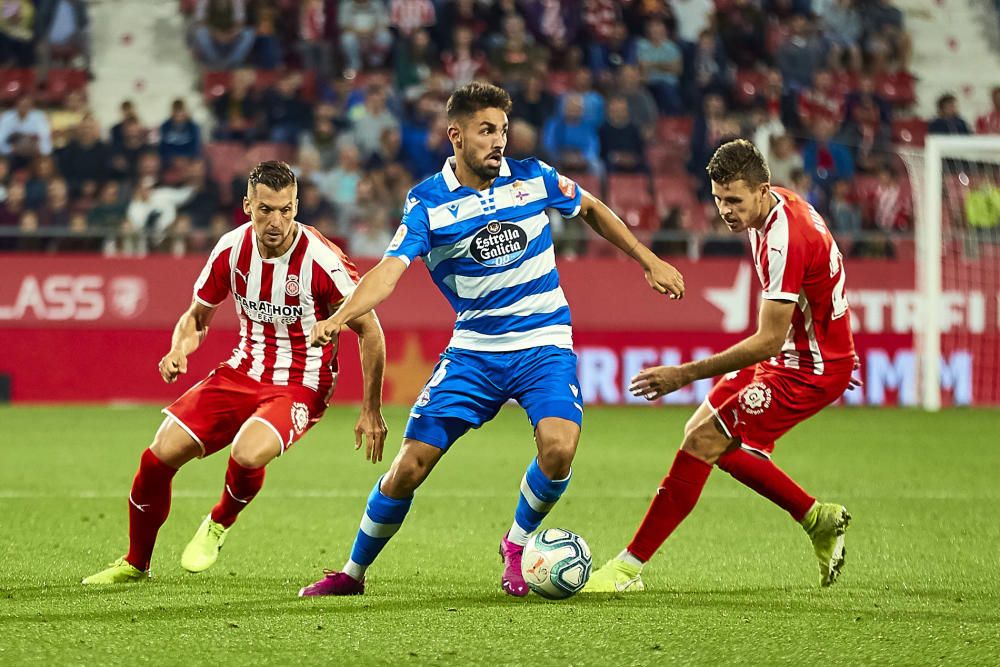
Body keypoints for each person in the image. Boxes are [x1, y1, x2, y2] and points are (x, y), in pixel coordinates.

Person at [297, 82, 685, 598]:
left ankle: (518, 545)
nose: (498, 140)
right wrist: (339, 317)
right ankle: (352, 573)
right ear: (455, 136)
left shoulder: (533, 177)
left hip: (543, 341)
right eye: (486, 130)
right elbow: (389, 271)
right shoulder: (428, 203)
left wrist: (647, 258)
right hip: (475, 352)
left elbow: (590, 208)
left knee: (559, 448)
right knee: (408, 468)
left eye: (502, 129)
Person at [82, 161, 387, 585]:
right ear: (248, 206)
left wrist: (370, 409)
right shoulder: (231, 249)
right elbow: (197, 317)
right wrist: (178, 349)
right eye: (265, 210)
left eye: (285, 210)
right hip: (242, 370)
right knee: (156, 457)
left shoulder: (321, 261)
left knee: (247, 452)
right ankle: (136, 563)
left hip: (301, 383)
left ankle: (219, 521)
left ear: (297, 206)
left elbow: (369, 331)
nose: (276, 221)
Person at [584, 139, 857, 593]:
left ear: (763, 189)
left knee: (704, 441)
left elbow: (768, 339)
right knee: (702, 436)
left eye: (734, 200)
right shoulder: (775, 208)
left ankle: (627, 570)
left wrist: (683, 373)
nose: (725, 210)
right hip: (801, 354)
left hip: (809, 366)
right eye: (717, 199)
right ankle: (815, 517)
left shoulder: (784, 237)